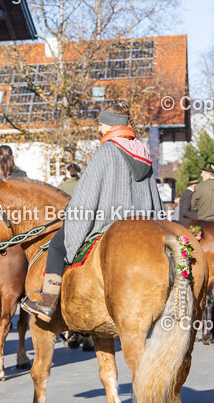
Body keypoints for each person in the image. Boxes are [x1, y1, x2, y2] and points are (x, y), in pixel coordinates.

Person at [23, 103, 162, 322]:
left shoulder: (107, 150)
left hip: (108, 224)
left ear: (111, 125)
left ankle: (48, 303)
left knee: (58, 245)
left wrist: (72, 215)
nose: (98, 129)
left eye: (100, 124)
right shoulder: (142, 152)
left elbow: (86, 197)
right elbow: (155, 197)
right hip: (143, 226)